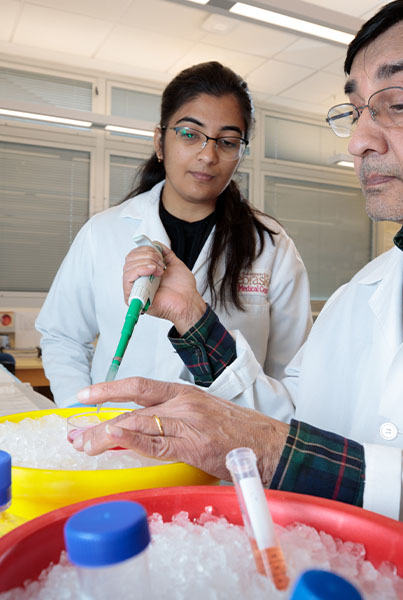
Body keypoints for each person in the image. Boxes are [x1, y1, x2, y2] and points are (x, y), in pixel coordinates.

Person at [72, 1, 403, 597]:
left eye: (397, 102)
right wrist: (195, 321)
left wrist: (289, 455)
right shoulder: (365, 291)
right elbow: (294, 422)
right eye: (355, 110)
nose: (359, 142)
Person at [35, 61, 312, 409]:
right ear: (160, 141)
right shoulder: (103, 232)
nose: (208, 155)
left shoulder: (271, 247)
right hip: (119, 443)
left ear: (241, 153)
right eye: (189, 134)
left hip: (225, 452)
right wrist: (81, 415)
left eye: (227, 142)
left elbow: (290, 373)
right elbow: (63, 337)